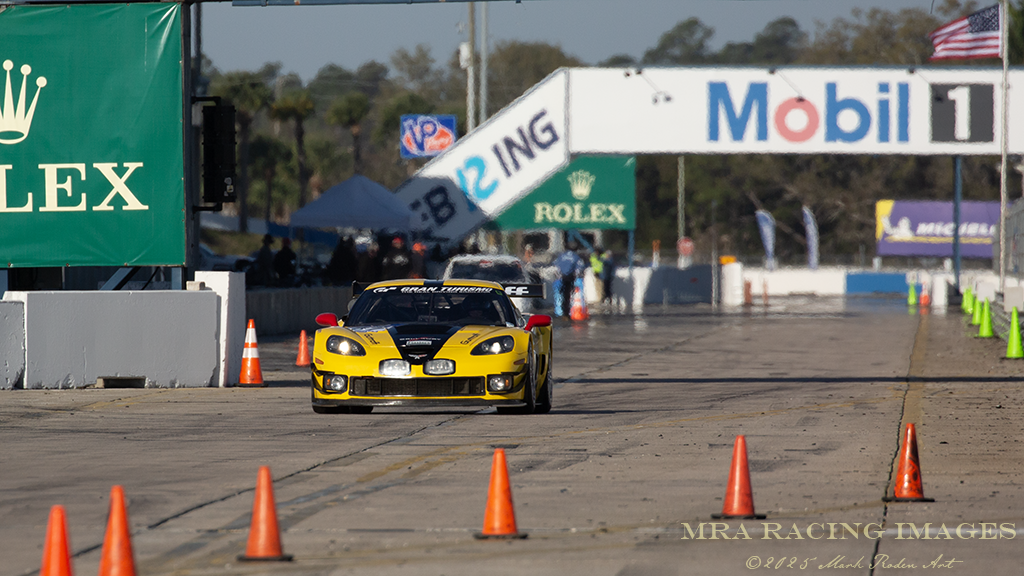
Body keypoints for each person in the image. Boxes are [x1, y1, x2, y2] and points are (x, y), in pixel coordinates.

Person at [553, 244, 585, 317]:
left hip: (561, 277)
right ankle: (568, 312)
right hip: (570, 277)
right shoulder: (576, 257)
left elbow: (556, 266)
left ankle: (560, 311)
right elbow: (579, 268)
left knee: (560, 294)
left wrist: (559, 275)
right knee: (569, 294)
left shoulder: (561, 256)